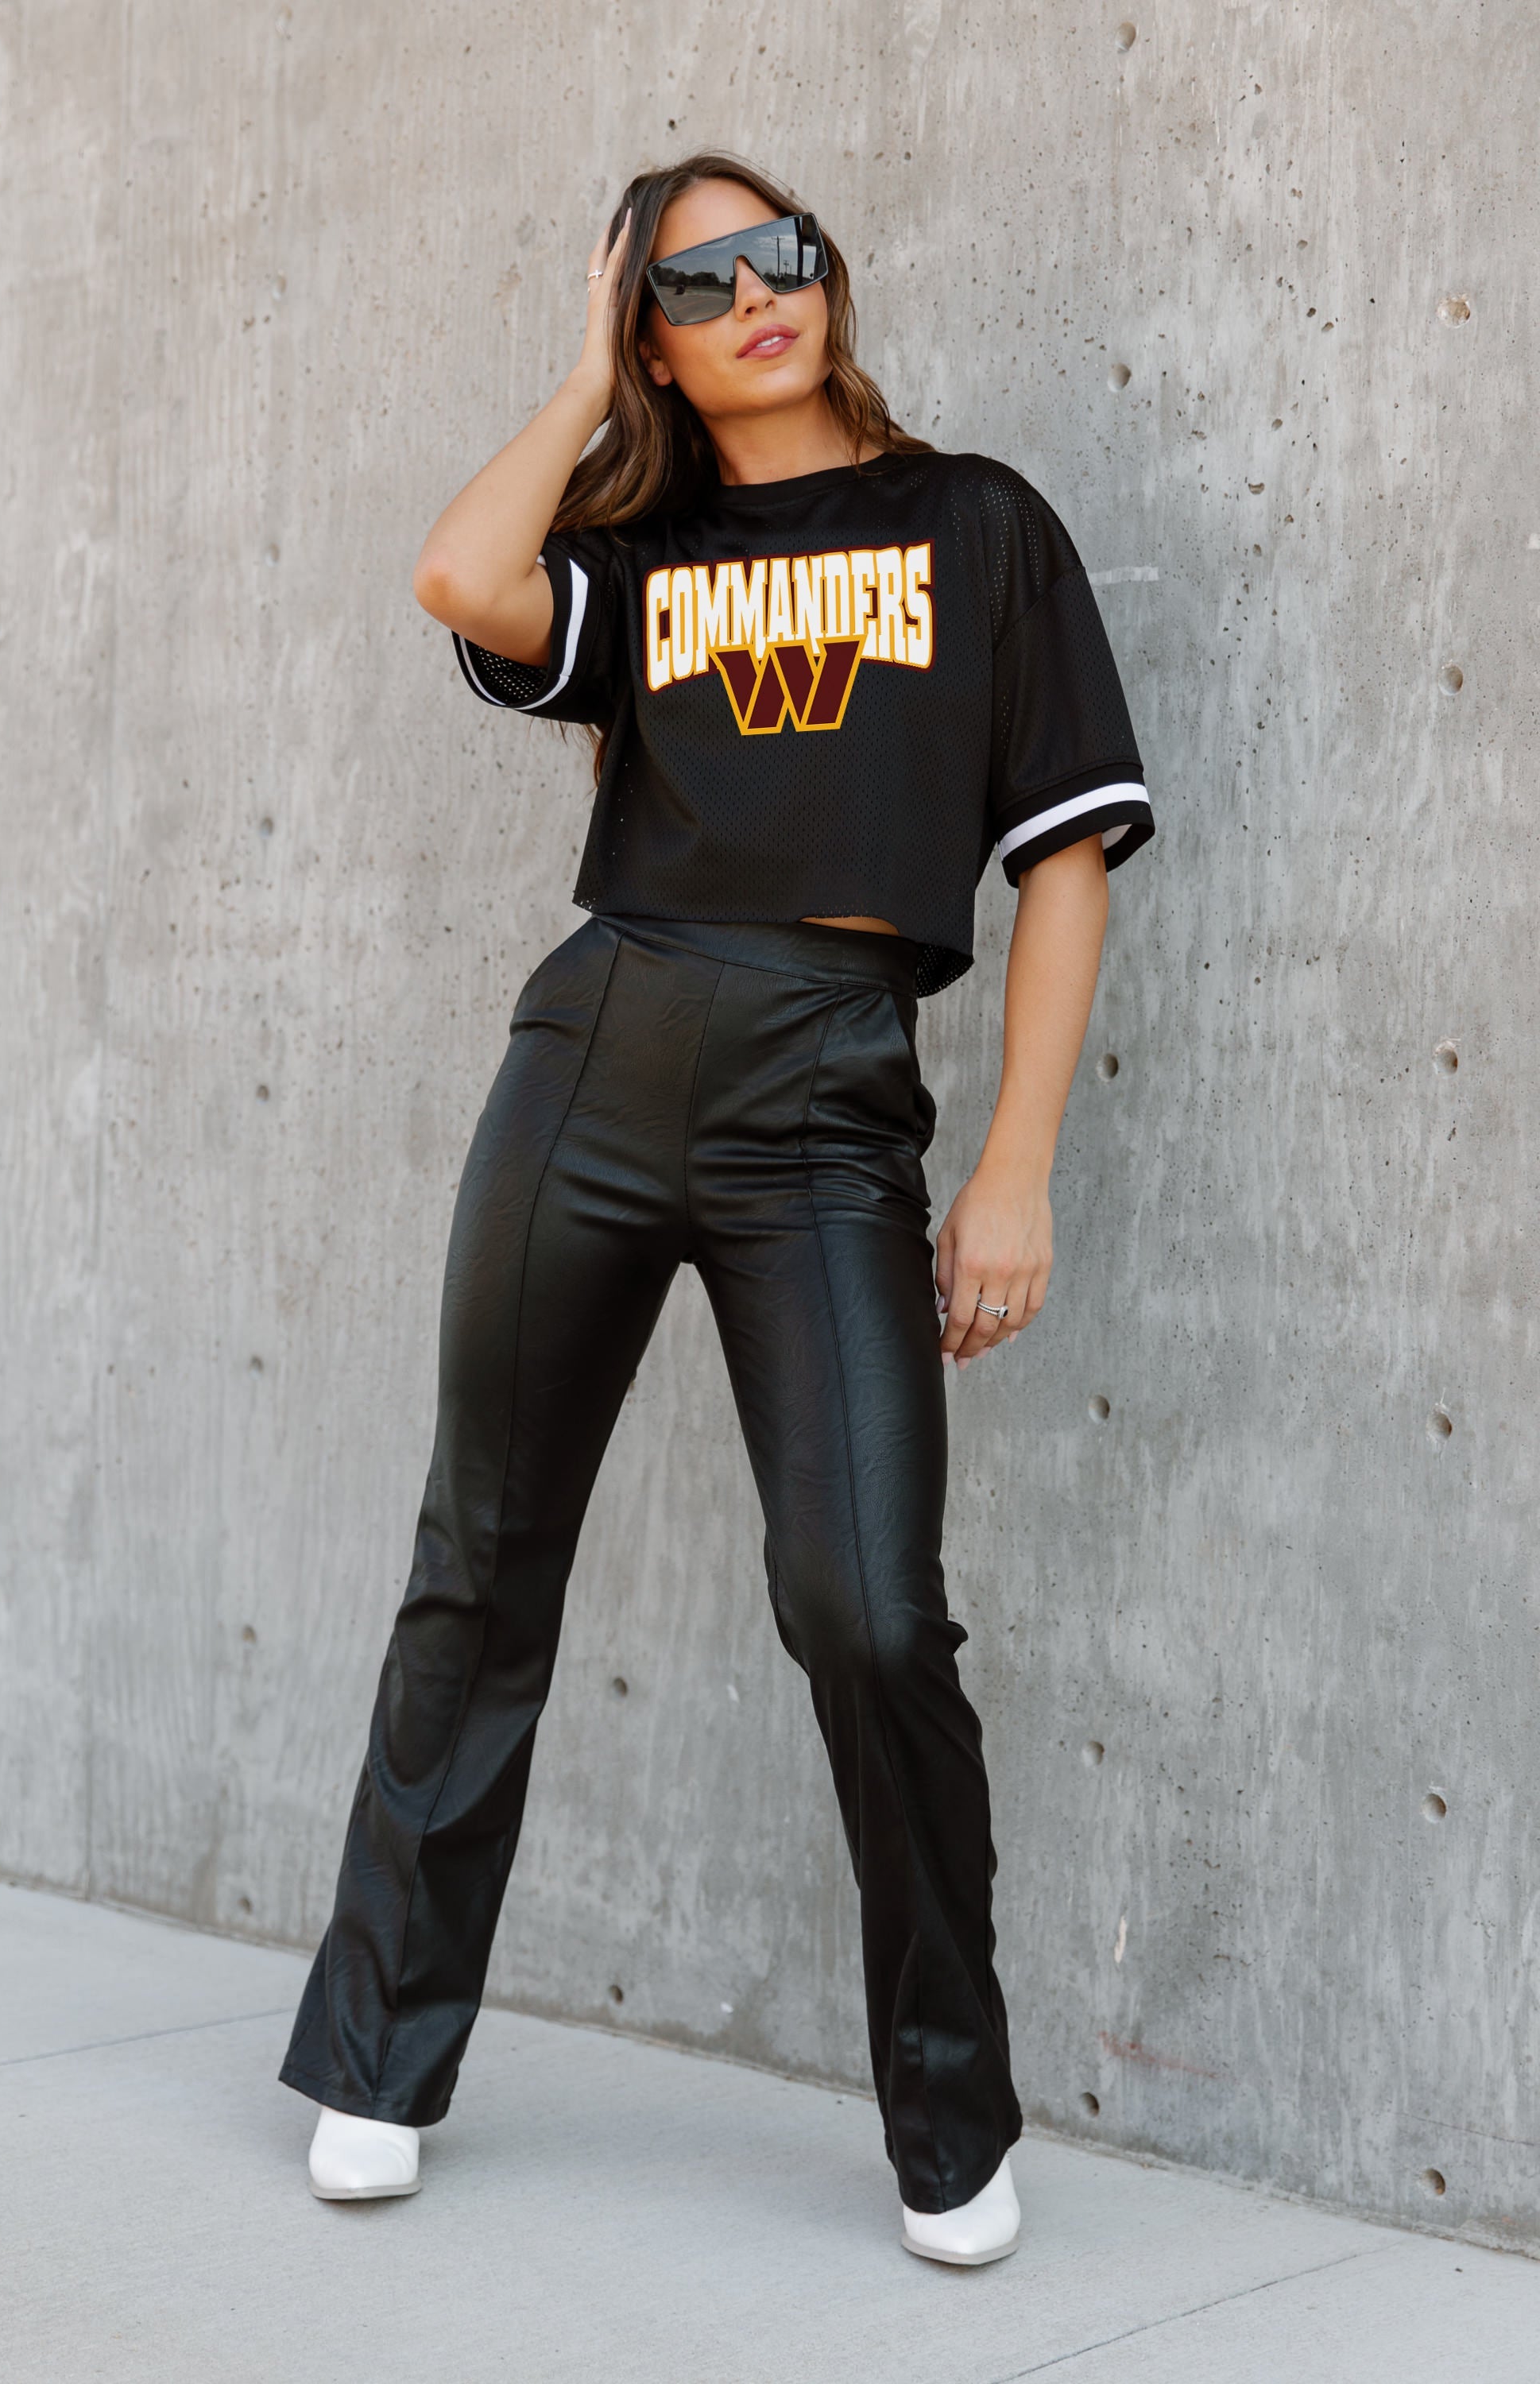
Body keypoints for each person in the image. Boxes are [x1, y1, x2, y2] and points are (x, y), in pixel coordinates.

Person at [279, 152, 1152, 2267]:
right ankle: (379, 2057)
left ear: (829, 276)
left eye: (783, 253)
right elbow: (459, 576)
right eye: (694, 284)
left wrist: (1015, 1165)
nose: (758, 292)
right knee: (481, 1560)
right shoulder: (645, 557)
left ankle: (949, 2113)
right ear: (651, 336)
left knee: (868, 1608)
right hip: (594, 1055)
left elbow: (1064, 864)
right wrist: (586, 381)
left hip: (829, 1099)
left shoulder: (978, 524)